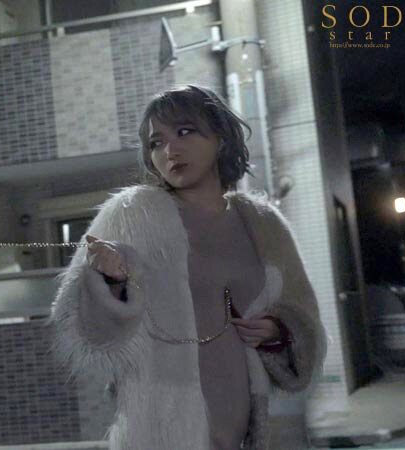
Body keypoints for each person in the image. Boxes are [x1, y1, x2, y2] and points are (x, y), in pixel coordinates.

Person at [50, 85, 326, 450]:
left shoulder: (263, 223)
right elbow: (76, 321)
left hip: (251, 418)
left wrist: (278, 330)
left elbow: (304, 317)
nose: (170, 151)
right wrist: (110, 282)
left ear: (221, 139)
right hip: (161, 423)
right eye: (156, 143)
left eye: (185, 132)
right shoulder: (133, 214)